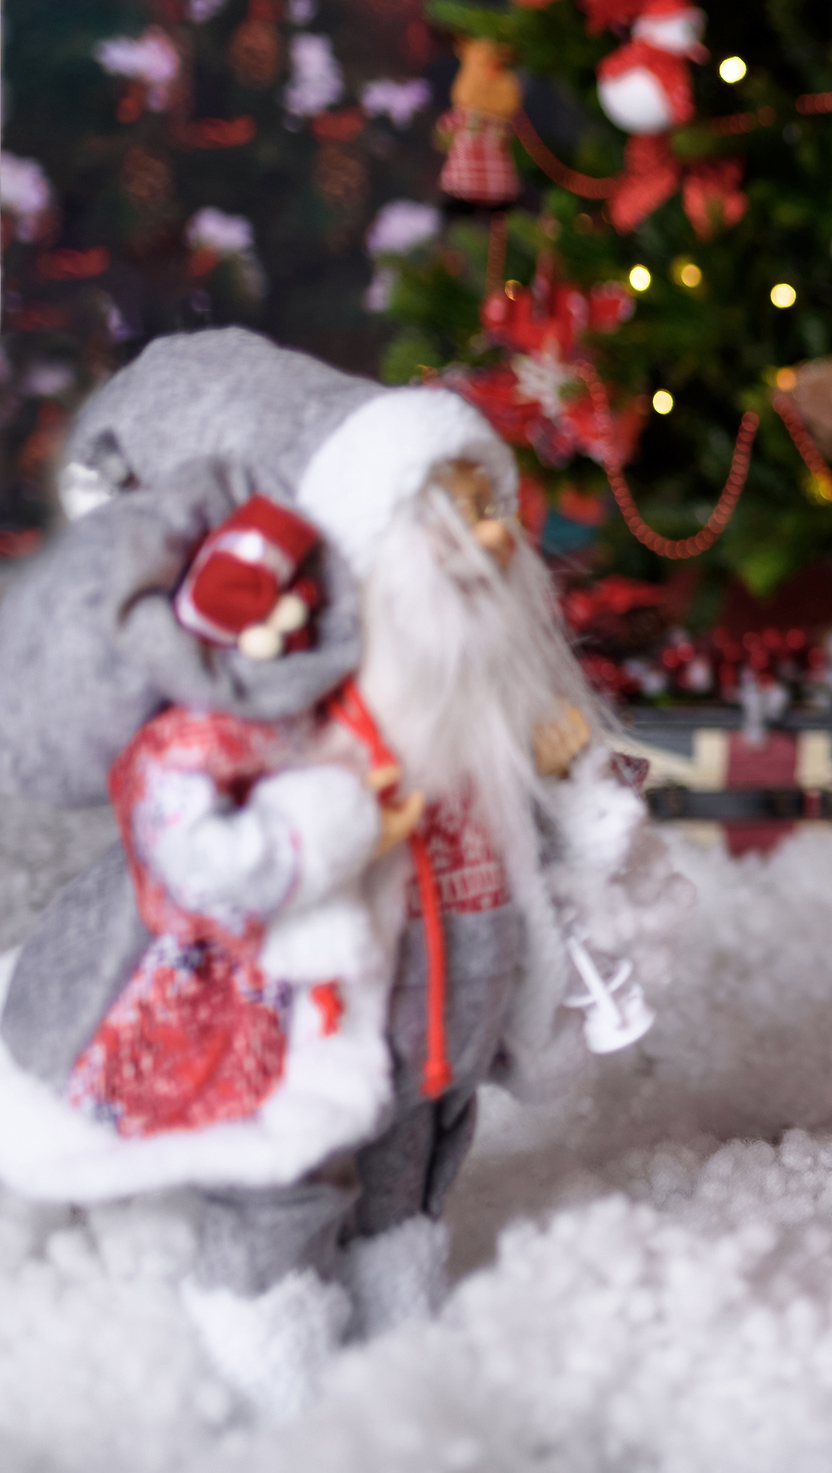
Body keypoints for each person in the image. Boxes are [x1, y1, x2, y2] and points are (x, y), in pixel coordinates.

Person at [0, 332, 666, 1418]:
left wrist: (588, 818)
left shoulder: (484, 704)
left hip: (451, 1006)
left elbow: (553, 806)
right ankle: (275, 1359)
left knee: (414, 1165)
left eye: (494, 517)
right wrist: (336, 821)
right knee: (287, 1181)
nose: (491, 542)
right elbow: (193, 848)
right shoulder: (264, 717)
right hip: (301, 1014)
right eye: (456, 521)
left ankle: (399, 1323)